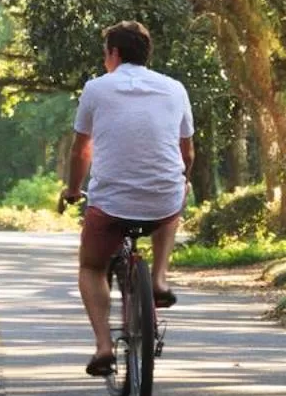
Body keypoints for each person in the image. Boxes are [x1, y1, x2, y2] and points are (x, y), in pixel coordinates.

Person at [59, 20, 194, 377]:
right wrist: (180, 181)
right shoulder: (175, 88)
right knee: (177, 191)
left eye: (105, 53)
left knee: (91, 267)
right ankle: (160, 277)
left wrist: (72, 190)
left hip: (111, 204)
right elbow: (188, 155)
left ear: (114, 53)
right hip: (162, 200)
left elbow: (81, 150)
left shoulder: (96, 89)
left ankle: (104, 347)